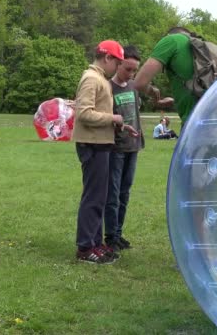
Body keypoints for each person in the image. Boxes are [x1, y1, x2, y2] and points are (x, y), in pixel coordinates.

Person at [73, 40, 137, 264]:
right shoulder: (91, 79)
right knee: (93, 197)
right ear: (107, 58)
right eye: (118, 62)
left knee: (99, 197)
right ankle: (85, 248)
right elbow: (83, 114)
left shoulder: (99, 79)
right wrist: (113, 118)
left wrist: (120, 124)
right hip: (92, 145)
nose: (118, 67)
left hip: (101, 143)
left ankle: (95, 243)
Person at [104, 45, 143, 252]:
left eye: (134, 70)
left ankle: (118, 234)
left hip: (132, 147)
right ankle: (110, 236)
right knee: (113, 194)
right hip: (115, 148)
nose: (131, 73)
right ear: (118, 64)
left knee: (125, 193)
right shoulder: (108, 88)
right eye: (128, 68)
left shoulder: (133, 87)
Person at [133, 26, 200, 128]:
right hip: (216, 119)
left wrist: (153, 92)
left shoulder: (171, 40)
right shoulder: (201, 48)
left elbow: (139, 83)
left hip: (194, 123)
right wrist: (175, 101)